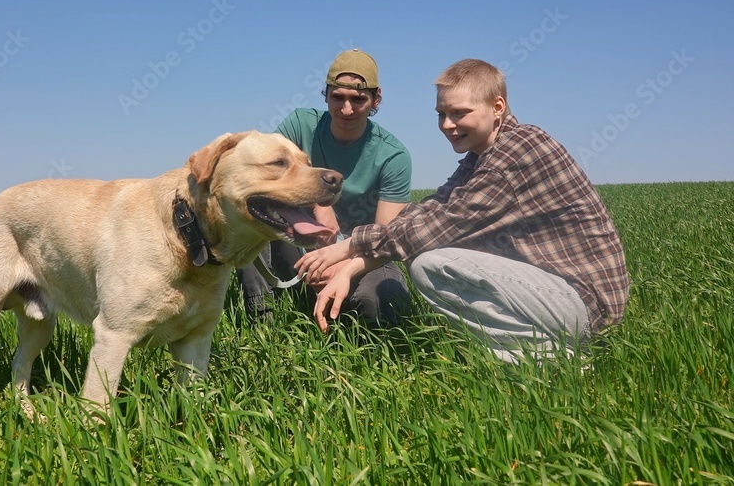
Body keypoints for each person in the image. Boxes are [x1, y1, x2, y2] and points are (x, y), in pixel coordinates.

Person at [298, 58, 630, 362]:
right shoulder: (484, 156)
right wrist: (349, 268)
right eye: (441, 114)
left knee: (432, 264)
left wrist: (347, 247)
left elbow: (436, 228)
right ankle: (514, 352)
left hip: (585, 304)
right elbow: (430, 209)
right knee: (428, 251)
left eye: (459, 113)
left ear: (497, 107)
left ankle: (553, 360)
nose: (447, 124)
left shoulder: (513, 156)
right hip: (560, 294)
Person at [237, 48, 414, 327]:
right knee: (252, 211)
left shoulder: (394, 156)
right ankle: (262, 319)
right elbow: (263, 176)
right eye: (338, 97)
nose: (346, 109)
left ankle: (348, 321)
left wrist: (341, 266)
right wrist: (318, 202)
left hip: (363, 258)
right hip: (301, 243)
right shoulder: (300, 125)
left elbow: (384, 239)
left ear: (376, 99)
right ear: (326, 94)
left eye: (358, 99)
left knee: (380, 302)